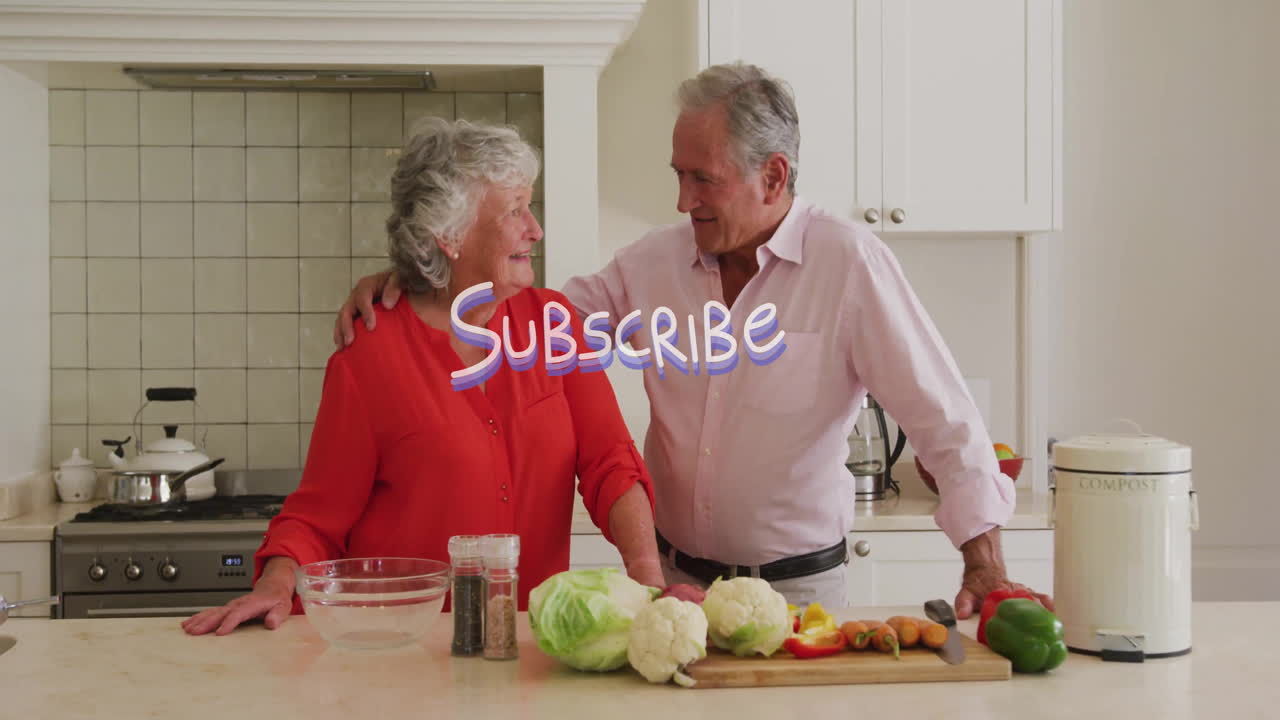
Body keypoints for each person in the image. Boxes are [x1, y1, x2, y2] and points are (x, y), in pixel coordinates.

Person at [335, 64, 1053, 615]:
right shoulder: (653, 263)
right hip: (674, 589)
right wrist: (416, 277)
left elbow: (944, 419)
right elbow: (529, 321)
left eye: (702, 180)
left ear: (773, 176)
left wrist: (984, 562)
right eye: (678, 177)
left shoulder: (849, 265)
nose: (683, 201)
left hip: (798, 595)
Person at [183, 119, 664, 637]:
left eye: (531, 205)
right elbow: (319, 517)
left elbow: (610, 464)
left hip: (523, 651)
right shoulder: (370, 357)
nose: (535, 228)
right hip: (399, 650)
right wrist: (274, 585)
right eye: (514, 210)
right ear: (449, 236)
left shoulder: (556, 326)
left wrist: (647, 575)